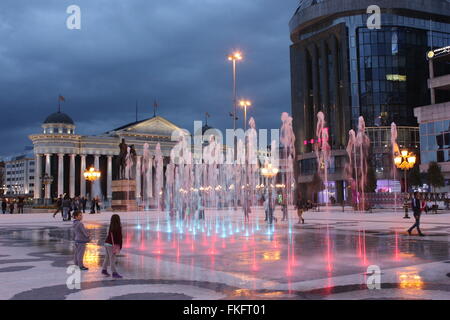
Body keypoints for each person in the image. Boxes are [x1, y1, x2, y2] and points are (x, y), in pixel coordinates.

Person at [101, 214, 123, 278]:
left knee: (107, 257)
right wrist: (120, 246)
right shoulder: (118, 227)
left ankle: (104, 269)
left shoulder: (111, 226)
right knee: (112, 258)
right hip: (112, 245)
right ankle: (114, 272)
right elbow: (119, 238)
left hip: (107, 243)